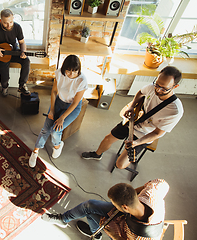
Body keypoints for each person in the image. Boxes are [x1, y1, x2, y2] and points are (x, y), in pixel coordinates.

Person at [82, 66, 184, 169]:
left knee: (120, 165)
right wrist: (131, 107)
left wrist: (136, 143)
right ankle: (97, 154)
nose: (158, 89)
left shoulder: (175, 111)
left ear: (175, 86)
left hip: (144, 134)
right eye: (157, 84)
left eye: (163, 88)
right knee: (108, 138)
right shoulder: (151, 87)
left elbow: (157, 133)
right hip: (134, 121)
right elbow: (140, 92)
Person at [41, 179, 169, 240]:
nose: (113, 205)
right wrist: (130, 195)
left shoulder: (140, 237)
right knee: (89, 205)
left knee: (91, 216)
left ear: (124, 207)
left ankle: (96, 235)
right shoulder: (152, 193)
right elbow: (162, 183)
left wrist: (114, 235)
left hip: (122, 231)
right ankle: (63, 219)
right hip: (126, 215)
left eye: (115, 204)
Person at [28, 55, 87, 167]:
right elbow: (54, 91)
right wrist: (52, 110)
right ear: (64, 68)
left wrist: (62, 118)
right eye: (69, 71)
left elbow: (75, 103)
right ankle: (35, 151)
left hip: (72, 106)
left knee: (55, 130)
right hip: (59, 101)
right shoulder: (59, 73)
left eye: (75, 71)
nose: (71, 75)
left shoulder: (82, 80)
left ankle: (57, 146)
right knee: (46, 129)